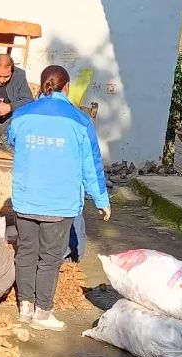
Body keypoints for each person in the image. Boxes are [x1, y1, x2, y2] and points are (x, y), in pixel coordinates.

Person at [8, 65, 110, 332]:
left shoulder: (21, 114)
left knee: (26, 252)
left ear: (42, 86)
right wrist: (101, 200)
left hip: (25, 199)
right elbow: (91, 164)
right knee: (50, 257)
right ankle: (43, 312)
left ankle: (25, 307)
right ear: (66, 88)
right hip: (59, 202)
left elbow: (12, 141)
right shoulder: (79, 120)